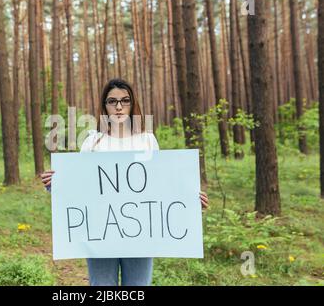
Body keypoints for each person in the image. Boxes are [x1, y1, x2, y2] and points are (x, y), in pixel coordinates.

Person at [41, 78, 209, 286]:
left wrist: (189, 202)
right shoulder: (93, 141)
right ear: (105, 106)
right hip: (99, 232)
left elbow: (160, 186)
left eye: (125, 100)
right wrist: (54, 184)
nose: (119, 107)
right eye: (112, 101)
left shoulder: (147, 140)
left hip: (141, 236)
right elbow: (81, 186)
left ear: (132, 104)